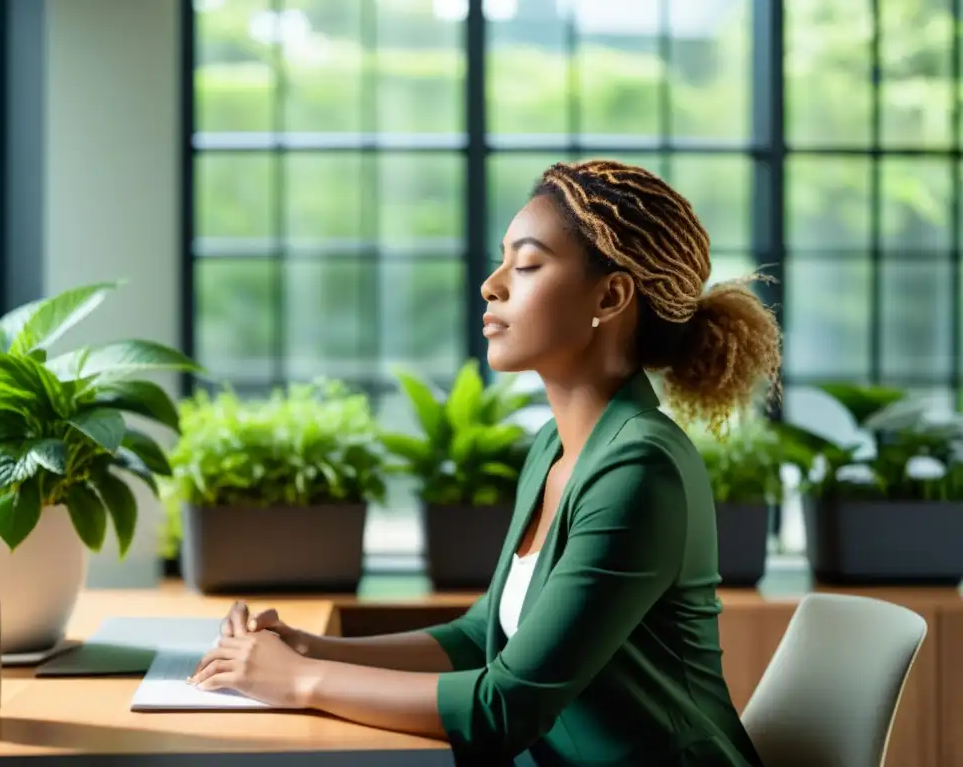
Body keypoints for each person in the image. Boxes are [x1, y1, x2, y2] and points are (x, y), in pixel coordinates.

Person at [189, 159, 782, 765]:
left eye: (526, 264)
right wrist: (313, 650)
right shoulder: (557, 448)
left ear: (610, 294)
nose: (492, 284)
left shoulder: (639, 470)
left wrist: (296, 681)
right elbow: (481, 639)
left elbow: (507, 708)